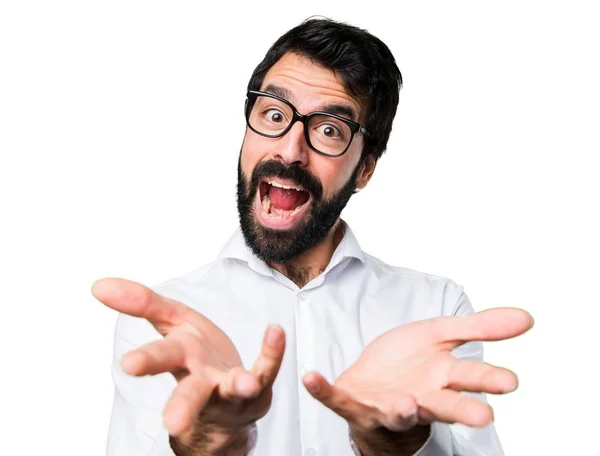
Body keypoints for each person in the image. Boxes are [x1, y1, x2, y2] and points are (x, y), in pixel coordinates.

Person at [93, 17, 533, 456]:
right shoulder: (165, 326)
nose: (288, 149)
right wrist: (203, 442)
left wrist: (402, 444)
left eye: (328, 130)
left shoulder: (436, 313)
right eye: (274, 114)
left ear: (365, 168)